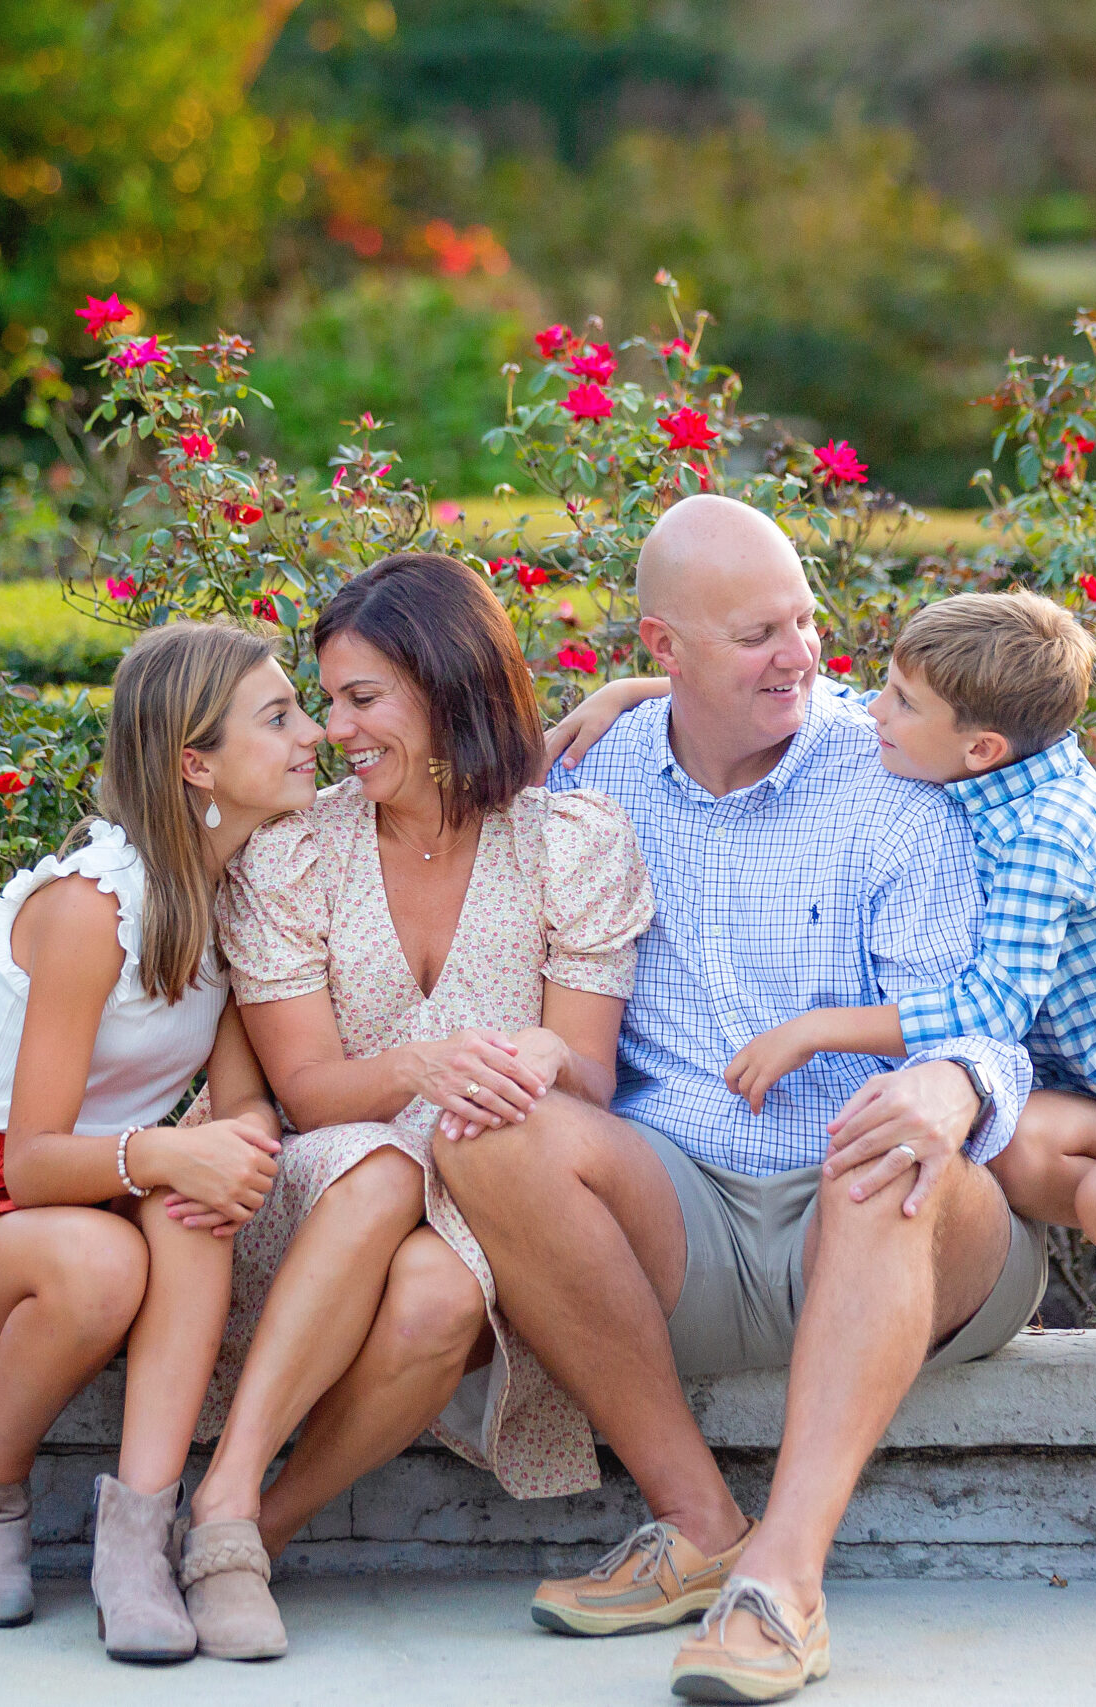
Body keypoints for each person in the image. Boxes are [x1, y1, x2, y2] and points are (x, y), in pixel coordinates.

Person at [433, 495, 1042, 1704]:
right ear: (663, 650)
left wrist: (949, 1084)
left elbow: (990, 1021)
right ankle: (695, 1518)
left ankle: (783, 1582)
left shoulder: (893, 777)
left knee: (883, 1142)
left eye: (806, 621)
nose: (804, 655)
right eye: (761, 632)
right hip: (685, 1223)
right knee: (488, 1135)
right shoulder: (597, 774)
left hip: (894, 1229)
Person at [0, 620, 379, 1665]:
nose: (311, 738)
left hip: (96, 1187)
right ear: (195, 761)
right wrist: (164, 1154)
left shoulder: (230, 899)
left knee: (192, 1209)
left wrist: (226, 1145)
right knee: (107, 1257)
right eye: (279, 717)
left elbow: (241, 1101)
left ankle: (138, 1542)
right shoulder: (87, 906)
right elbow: (25, 1162)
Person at [557, 591, 1096, 1406]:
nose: (873, 709)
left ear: (980, 747)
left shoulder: (1046, 833)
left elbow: (991, 1010)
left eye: (902, 702)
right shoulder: (972, 758)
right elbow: (799, 697)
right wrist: (636, 691)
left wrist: (814, 1030)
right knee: (1003, 1150)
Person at [178, 551, 655, 1659]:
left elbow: (588, 1073)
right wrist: (418, 1066)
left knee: (442, 1299)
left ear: (446, 686)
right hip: (335, 1178)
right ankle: (229, 1493)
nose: (335, 730)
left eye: (361, 699)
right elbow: (305, 1091)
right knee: (383, 1168)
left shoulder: (569, 842)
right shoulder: (295, 855)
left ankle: (248, 1535)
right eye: (326, 700)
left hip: (493, 1197)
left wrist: (534, 1048)